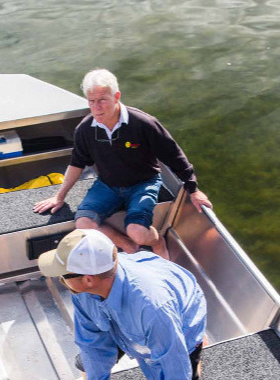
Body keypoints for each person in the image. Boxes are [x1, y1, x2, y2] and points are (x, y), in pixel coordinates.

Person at [38, 228, 207, 380]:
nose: (61, 281)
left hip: (179, 321)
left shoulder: (154, 310)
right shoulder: (82, 292)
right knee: (91, 363)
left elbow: (176, 376)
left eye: (63, 276)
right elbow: (91, 344)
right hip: (125, 322)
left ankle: (195, 352)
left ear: (88, 279)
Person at [33, 68, 212, 259]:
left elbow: (174, 156)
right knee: (84, 224)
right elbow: (77, 164)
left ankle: (157, 241)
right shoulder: (85, 129)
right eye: (91, 101)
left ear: (116, 96)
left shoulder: (144, 123)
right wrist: (59, 197)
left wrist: (193, 190)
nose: (96, 107)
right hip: (107, 184)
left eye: (102, 100)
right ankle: (128, 246)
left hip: (143, 183)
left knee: (138, 232)